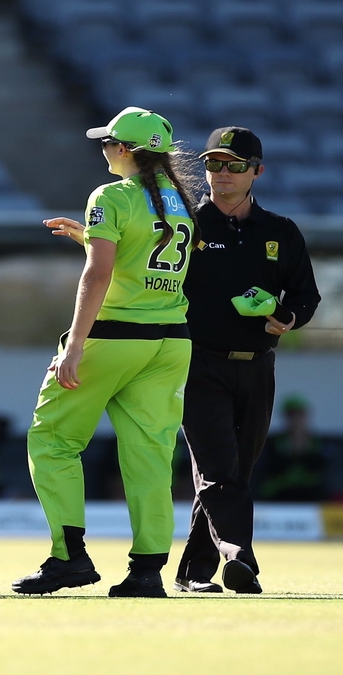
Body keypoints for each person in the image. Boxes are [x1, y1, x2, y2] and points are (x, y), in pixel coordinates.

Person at [11, 107, 200, 598]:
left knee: (52, 441)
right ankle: (147, 571)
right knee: (152, 458)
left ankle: (69, 558)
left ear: (123, 150)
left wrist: (73, 345)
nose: (104, 150)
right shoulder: (179, 200)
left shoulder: (112, 194)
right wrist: (90, 239)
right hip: (170, 341)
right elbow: (146, 266)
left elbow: (99, 276)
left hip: (112, 339)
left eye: (107, 143)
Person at [173, 127, 320, 594]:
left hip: (258, 365)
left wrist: (286, 318)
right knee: (218, 468)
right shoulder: (188, 225)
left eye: (235, 166)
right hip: (197, 363)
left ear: (257, 171)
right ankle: (240, 558)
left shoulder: (281, 231)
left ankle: (193, 574)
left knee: (234, 472)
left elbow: (305, 297)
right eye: (214, 164)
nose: (222, 174)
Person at [258, 395, 329, 503]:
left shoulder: (320, 444)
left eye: (299, 415)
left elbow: (323, 473)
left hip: (312, 498)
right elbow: (267, 474)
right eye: (292, 416)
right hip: (280, 496)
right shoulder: (271, 444)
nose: (296, 420)